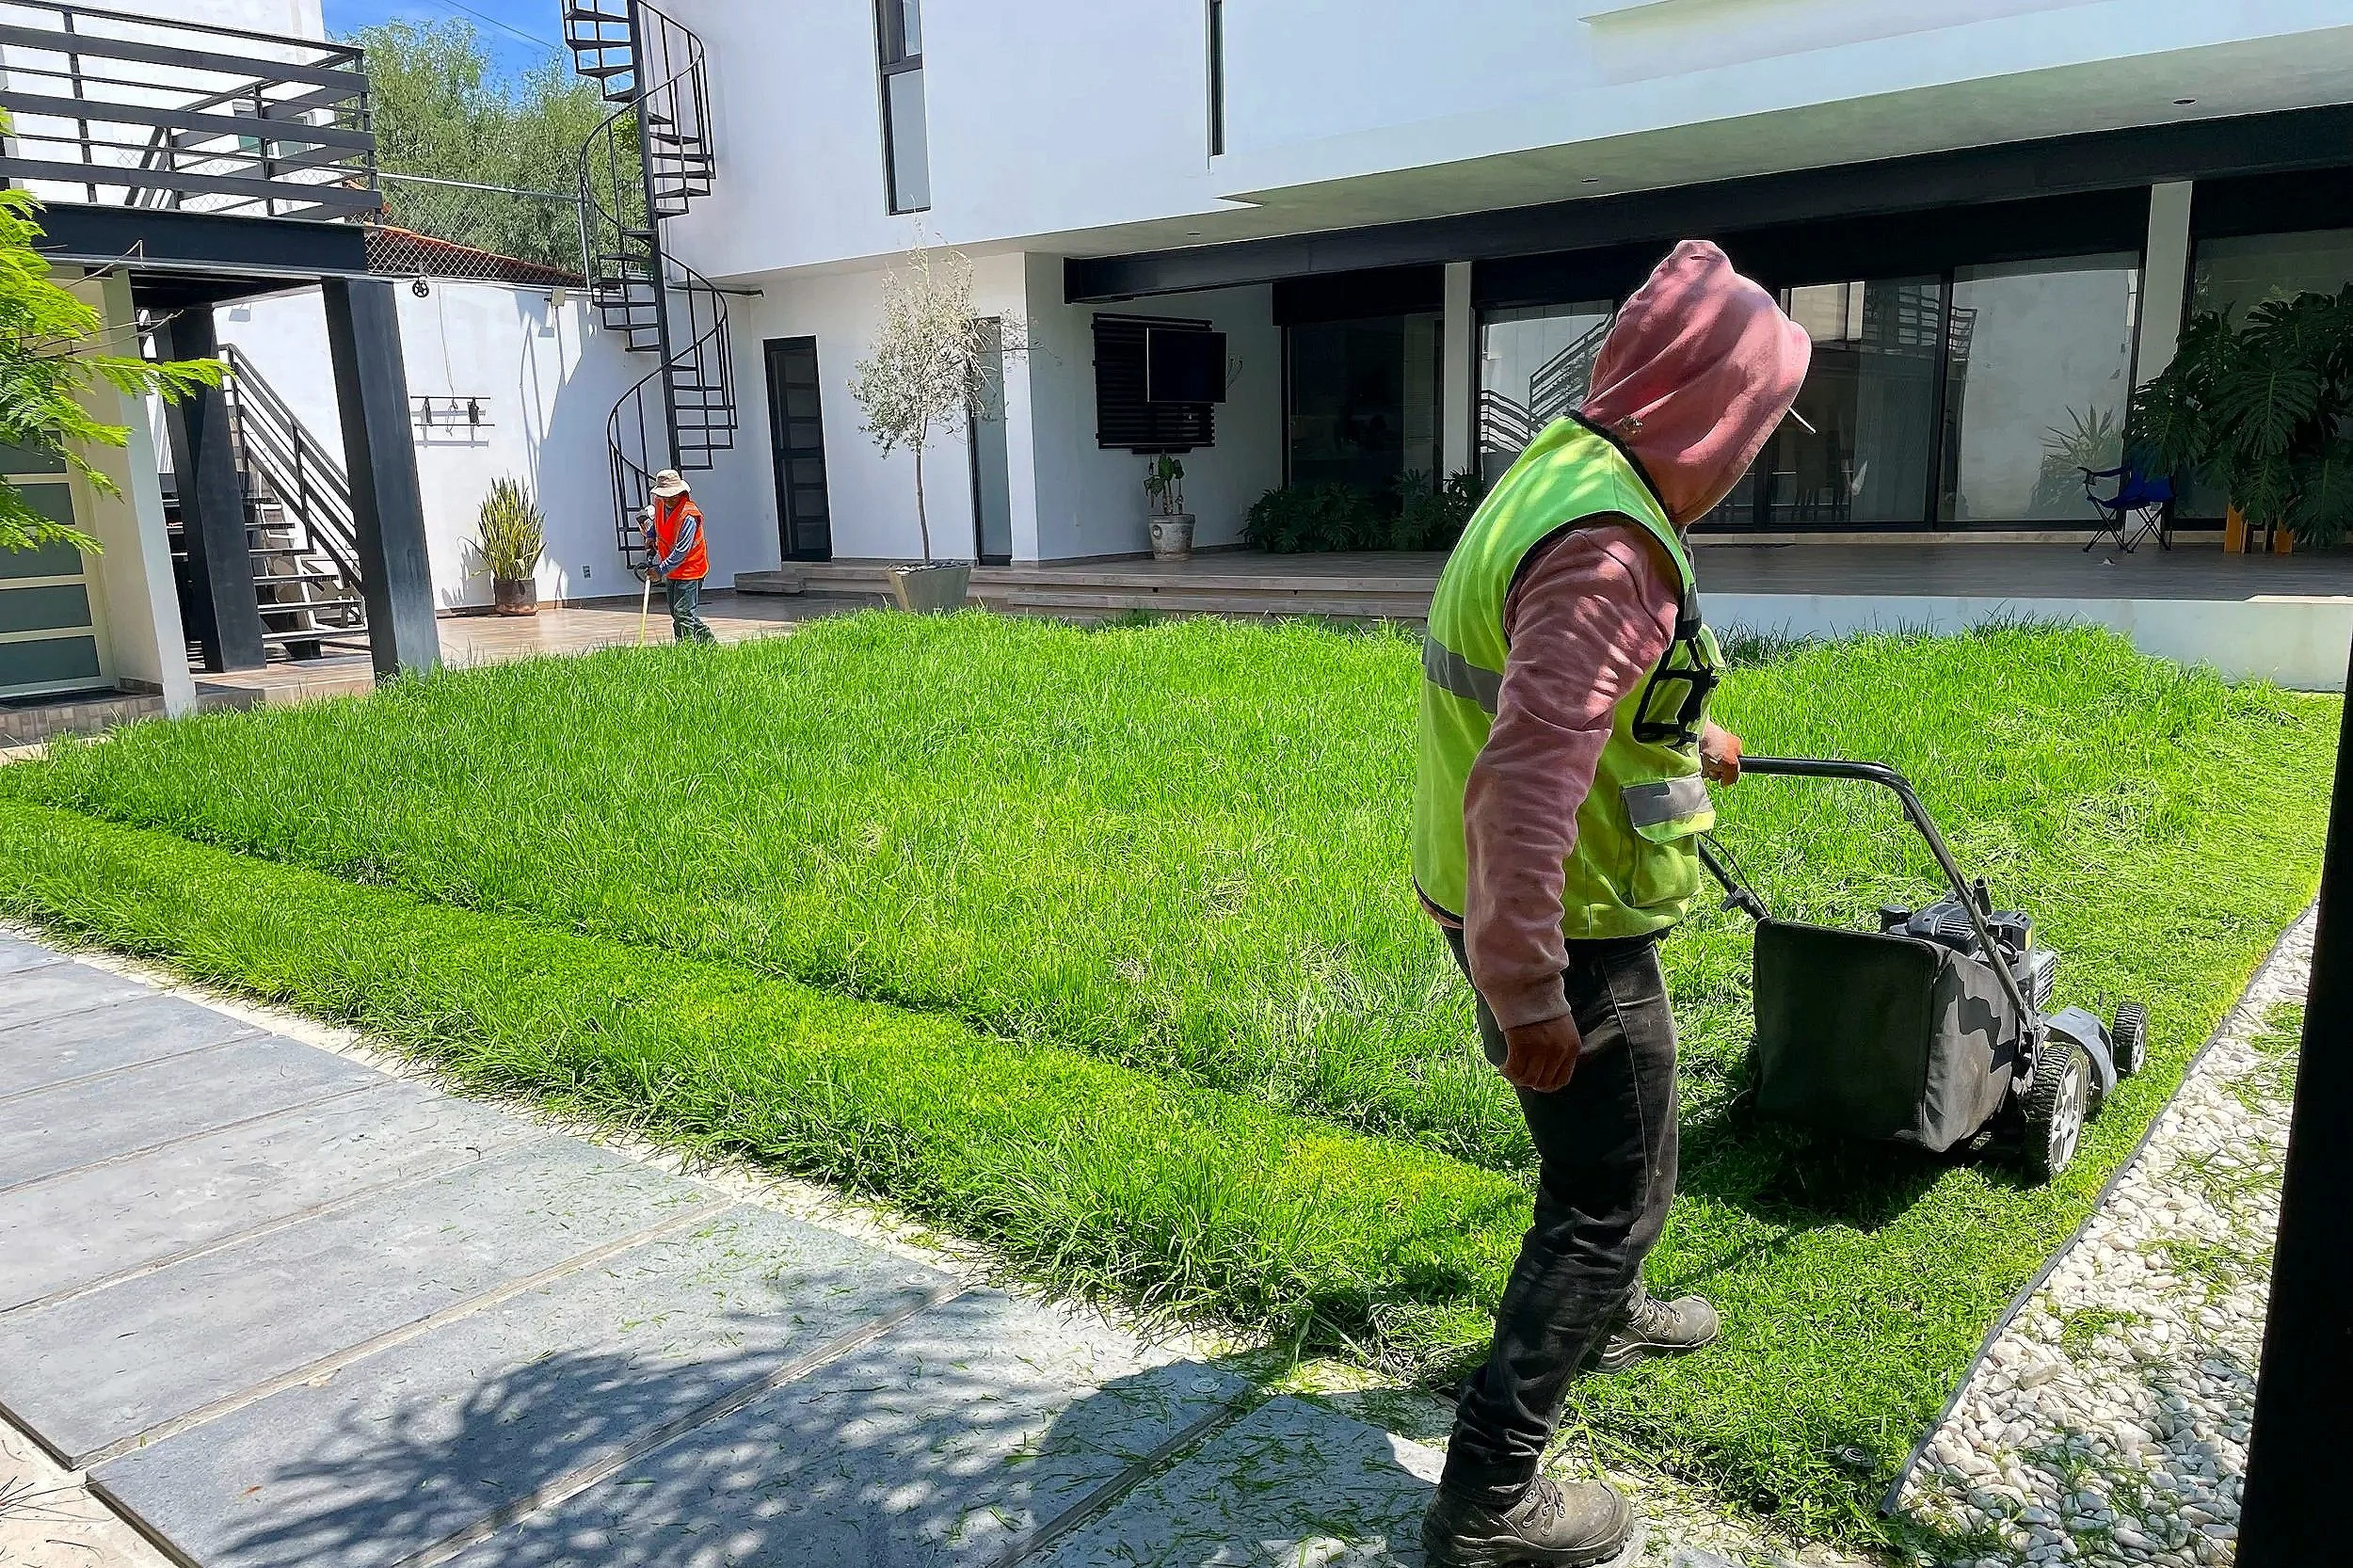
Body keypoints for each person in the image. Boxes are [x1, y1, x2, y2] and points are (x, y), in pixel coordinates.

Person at [1412, 240, 1810, 1568]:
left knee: (1605, 1161)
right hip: (1554, 923)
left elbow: (1567, 700)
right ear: (1702, 407)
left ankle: (1615, 1303)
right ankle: (1489, 1497)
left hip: (1526, 904)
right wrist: (1523, 986)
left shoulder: (1570, 472)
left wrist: (1689, 735)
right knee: (1606, 1192)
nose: (1753, 452)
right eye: (1754, 422)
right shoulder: (1606, 545)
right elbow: (1530, 774)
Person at [641, 469, 714, 643]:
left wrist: (660, 569)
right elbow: (657, 524)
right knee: (679, 613)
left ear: (681, 492)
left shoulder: (688, 515)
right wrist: (651, 536)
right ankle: (709, 645)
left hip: (691, 569)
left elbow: (682, 550)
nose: (669, 499)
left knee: (683, 614)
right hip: (672, 569)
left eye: (672, 495)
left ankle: (686, 650)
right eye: (665, 495)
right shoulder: (660, 504)